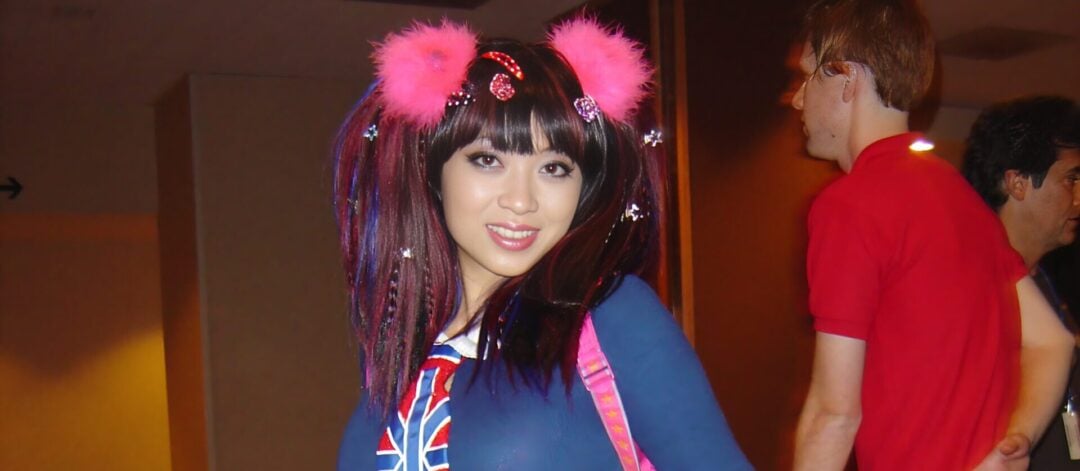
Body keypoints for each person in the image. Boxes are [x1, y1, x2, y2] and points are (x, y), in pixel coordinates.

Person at [331, 18, 752, 470]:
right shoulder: (401, 341)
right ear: (432, 171)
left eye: (554, 168)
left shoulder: (611, 315)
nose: (521, 200)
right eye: (487, 160)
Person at [788, 0, 1074, 469]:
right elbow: (1053, 342)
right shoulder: (958, 196)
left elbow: (833, 415)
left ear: (846, 77)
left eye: (808, 76)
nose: (799, 99)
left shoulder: (850, 205)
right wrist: (1015, 440)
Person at [963, 95, 1080, 470]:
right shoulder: (969, 292)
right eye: (1071, 179)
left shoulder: (1043, 283)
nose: (1078, 198)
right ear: (1017, 183)